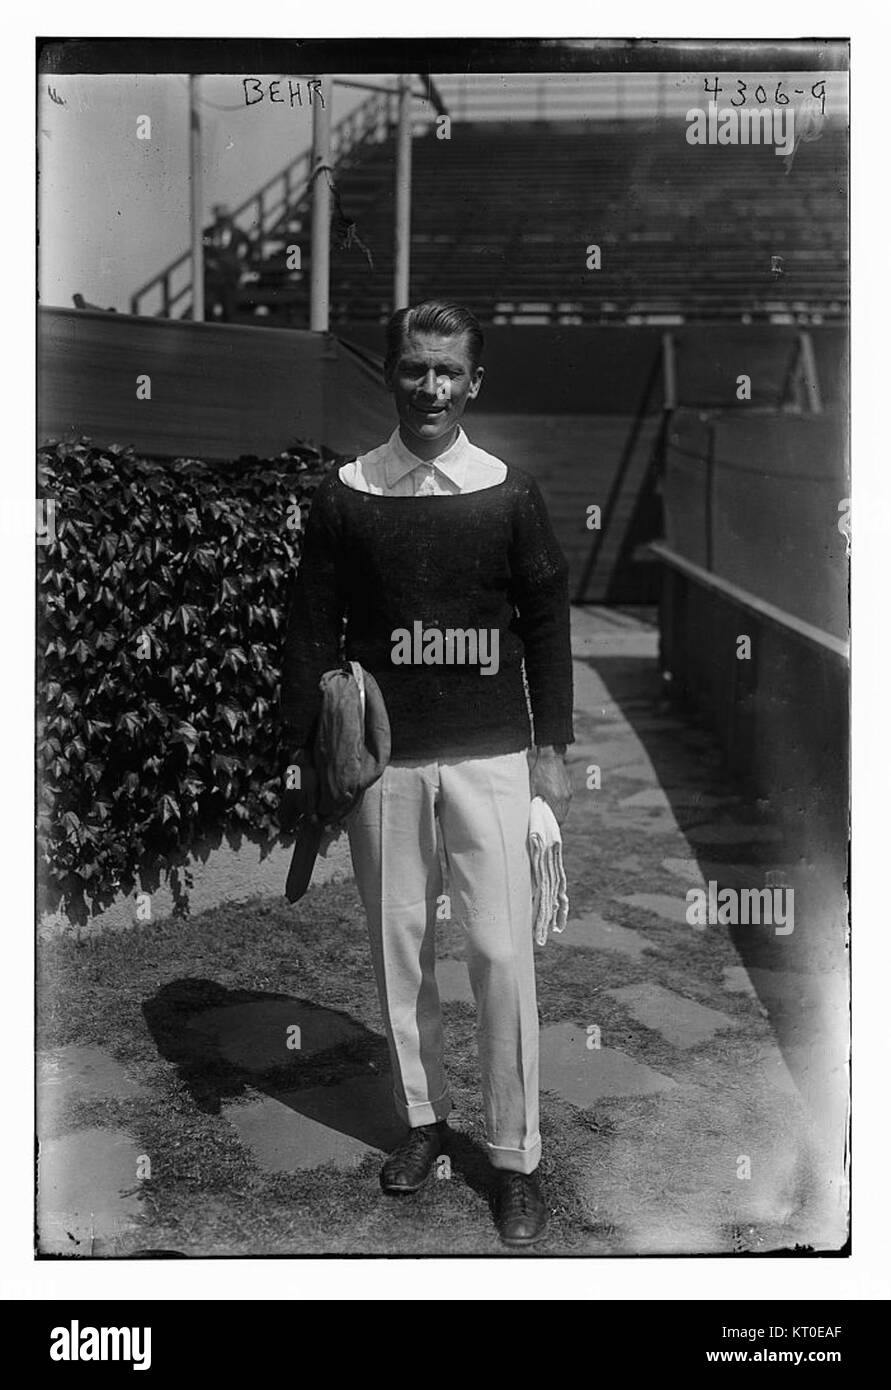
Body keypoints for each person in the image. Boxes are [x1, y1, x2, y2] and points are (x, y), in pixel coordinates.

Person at [280, 300, 574, 1247]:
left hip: (491, 755)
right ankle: (423, 1125)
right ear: (392, 375)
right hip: (386, 771)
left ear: (473, 382)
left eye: (448, 371)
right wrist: (313, 748)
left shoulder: (507, 491)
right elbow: (308, 625)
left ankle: (516, 1156)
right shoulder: (346, 492)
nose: (431, 387)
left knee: (499, 958)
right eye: (414, 369)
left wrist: (553, 752)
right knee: (400, 956)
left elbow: (544, 618)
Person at [203, 203, 251, 322]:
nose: (222, 221)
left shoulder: (237, 233)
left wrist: (244, 262)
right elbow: (202, 249)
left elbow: (250, 246)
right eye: (219, 218)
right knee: (208, 306)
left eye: (224, 218)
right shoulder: (207, 232)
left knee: (229, 308)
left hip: (230, 276)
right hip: (212, 276)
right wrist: (207, 261)